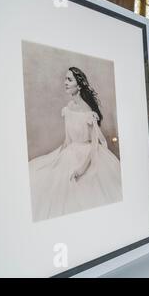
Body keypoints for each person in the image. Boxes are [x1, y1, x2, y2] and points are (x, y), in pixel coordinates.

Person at [29, 67, 122, 222]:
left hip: (87, 155)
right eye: (65, 79)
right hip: (69, 152)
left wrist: (81, 168)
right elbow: (67, 140)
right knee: (42, 177)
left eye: (69, 80)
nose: (65, 83)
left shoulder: (88, 111)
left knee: (82, 193)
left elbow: (94, 145)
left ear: (79, 85)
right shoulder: (68, 107)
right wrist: (55, 159)